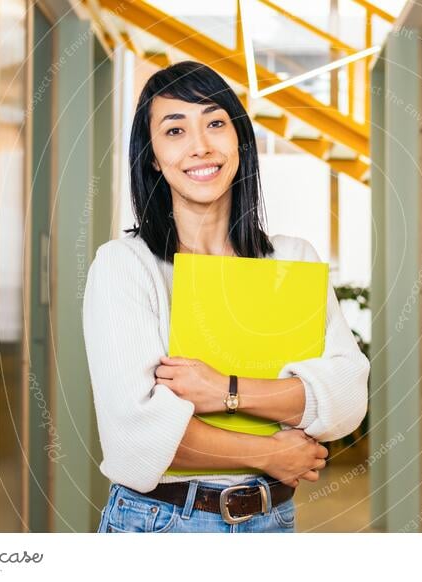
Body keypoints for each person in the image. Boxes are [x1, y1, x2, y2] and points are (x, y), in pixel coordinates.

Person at [83, 60, 370, 533]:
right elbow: (139, 434)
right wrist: (275, 448)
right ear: (153, 155)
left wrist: (224, 391)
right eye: (175, 130)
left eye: (216, 123)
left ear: (239, 139)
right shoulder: (126, 265)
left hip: (271, 519)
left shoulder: (293, 260)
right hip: (162, 523)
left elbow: (346, 397)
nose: (200, 146)